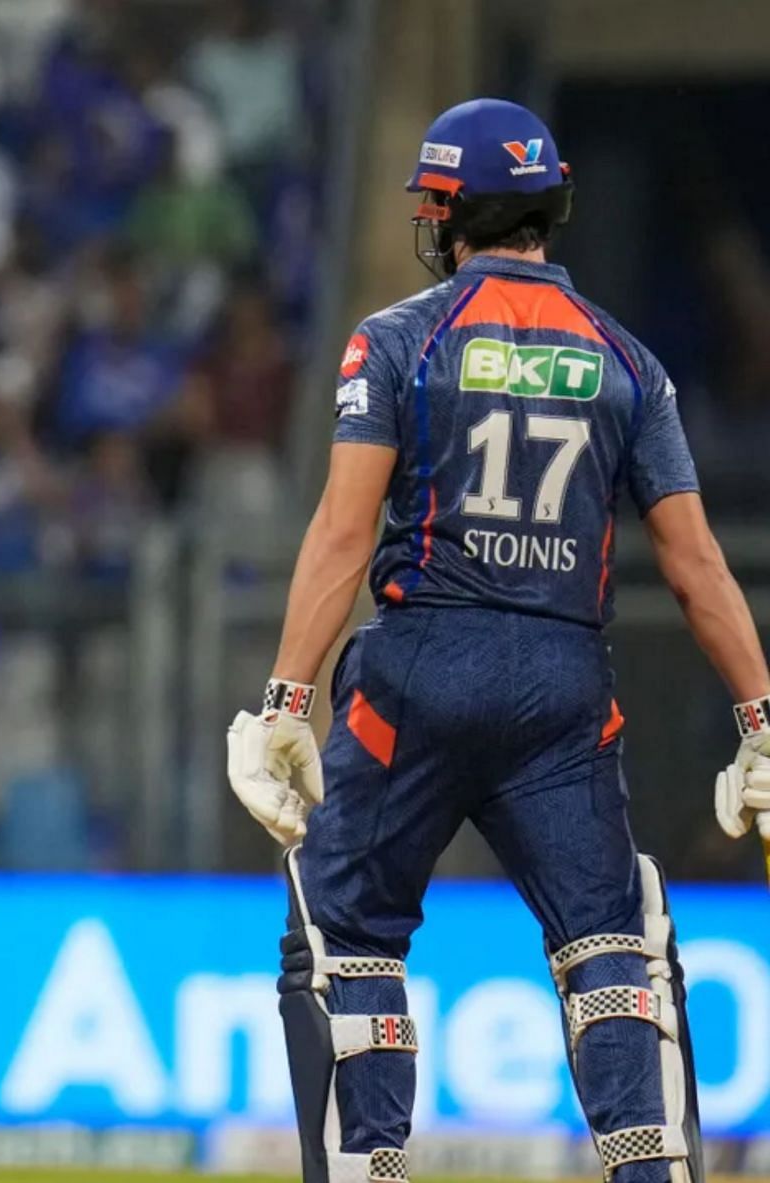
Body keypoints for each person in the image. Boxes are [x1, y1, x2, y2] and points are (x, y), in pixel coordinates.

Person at [225, 98, 770, 1183]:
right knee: (615, 945)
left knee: (347, 931)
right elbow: (697, 562)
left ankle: (371, 1166)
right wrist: (761, 717)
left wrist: (290, 698)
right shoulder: (629, 363)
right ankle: (648, 1169)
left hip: (418, 668)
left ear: (449, 213)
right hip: (567, 687)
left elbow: (343, 530)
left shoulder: (397, 341)